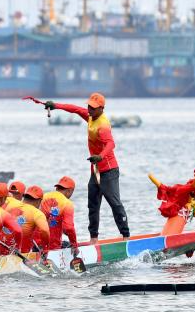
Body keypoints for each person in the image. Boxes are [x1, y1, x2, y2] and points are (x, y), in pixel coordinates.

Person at [35, 93, 129, 242]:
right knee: (92, 204)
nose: (89, 109)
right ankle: (94, 239)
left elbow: (111, 144)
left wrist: (101, 156)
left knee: (114, 203)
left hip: (109, 170)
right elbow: (75, 109)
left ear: (101, 109)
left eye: (93, 108)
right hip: (96, 170)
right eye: (89, 106)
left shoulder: (103, 126)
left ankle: (125, 237)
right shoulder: (91, 116)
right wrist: (56, 105)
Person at [41, 176, 79, 253]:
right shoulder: (67, 203)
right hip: (52, 248)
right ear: (69, 191)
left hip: (34, 244)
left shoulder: (43, 197)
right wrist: (74, 245)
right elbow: (69, 228)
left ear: (57, 188)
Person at [16, 186, 51, 254]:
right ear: (39, 201)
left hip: (1, 253)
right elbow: (45, 230)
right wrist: (46, 248)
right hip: (23, 255)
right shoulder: (36, 213)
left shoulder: (12, 206)